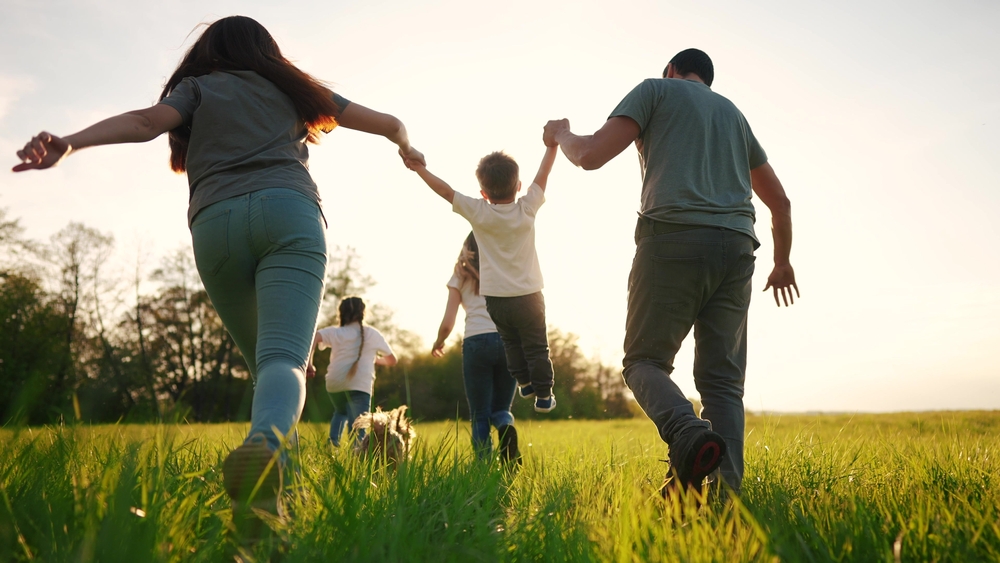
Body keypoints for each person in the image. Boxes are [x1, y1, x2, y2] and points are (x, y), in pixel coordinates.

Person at [11, 15, 424, 537]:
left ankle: (270, 509)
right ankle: (268, 449)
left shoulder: (196, 89)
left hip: (215, 225)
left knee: (267, 371)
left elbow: (143, 123)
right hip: (290, 215)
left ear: (207, 53)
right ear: (267, 51)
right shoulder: (293, 89)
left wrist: (67, 143)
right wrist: (407, 146)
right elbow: (389, 123)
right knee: (284, 364)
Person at [542, 48, 799, 496]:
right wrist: (782, 261)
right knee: (722, 383)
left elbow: (589, 156)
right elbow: (780, 202)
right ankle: (721, 500)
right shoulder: (734, 116)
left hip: (673, 235)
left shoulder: (655, 90)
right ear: (708, 81)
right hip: (739, 246)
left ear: (671, 71)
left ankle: (687, 432)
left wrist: (562, 134)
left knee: (643, 361)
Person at [405, 145, 559, 413]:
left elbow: (445, 191)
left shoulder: (479, 212)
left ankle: (524, 382)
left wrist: (420, 169)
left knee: (511, 342)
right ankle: (544, 396)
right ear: (519, 185)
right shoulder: (527, 209)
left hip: (497, 300)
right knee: (536, 346)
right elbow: (543, 174)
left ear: (483, 193)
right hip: (529, 296)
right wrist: (552, 146)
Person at [431, 232, 520, 463]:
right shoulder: (507, 269)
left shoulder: (459, 276)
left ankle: (484, 469)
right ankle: (506, 426)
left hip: (476, 342)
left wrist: (439, 342)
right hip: (509, 341)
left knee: (479, 414)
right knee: (501, 408)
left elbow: (448, 322)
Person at [310, 297, 397, 447]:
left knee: (340, 411)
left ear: (341, 313)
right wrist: (376, 360)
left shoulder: (336, 332)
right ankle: (355, 456)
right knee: (358, 425)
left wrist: (309, 364)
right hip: (360, 384)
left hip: (335, 383)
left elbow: (313, 338)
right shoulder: (372, 334)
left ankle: (332, 444)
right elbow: (392, 360)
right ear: (363, 312)